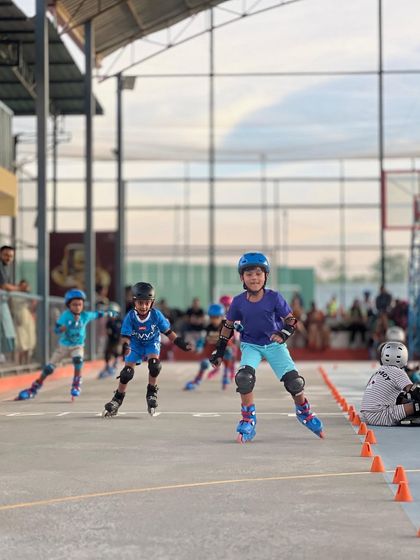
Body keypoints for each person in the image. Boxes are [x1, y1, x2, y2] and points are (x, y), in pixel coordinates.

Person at [209, 252, 324, 442]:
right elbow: (228, 326)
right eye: (249, 274)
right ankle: (248, 419)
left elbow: (291, 320)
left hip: (274, 344)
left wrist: (283, 334)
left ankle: (304, 411)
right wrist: (220, 350)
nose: (254, 278)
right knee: (244, 378)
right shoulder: (238, 302)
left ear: (266, 276)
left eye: (258, 273)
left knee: (295, 382)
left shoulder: (274, 297)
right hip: (251, 345)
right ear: (242, 278)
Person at [102, 282, 192, 417]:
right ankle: (117, 399)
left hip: (151, 343)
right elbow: (125, 336)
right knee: (126, 373)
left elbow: (168, 332)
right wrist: (125, 346)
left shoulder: (156, 315)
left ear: (152, 303)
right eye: (140, 303)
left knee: (154, 366)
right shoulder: (130, 316)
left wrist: (180, 343)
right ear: (134, 302)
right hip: (135, 344)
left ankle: (151, 393)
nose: (143, 306)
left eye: (147, 303)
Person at [16, 289, 115, 401]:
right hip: (64, 346)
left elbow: (97, 314)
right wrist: (61, 329)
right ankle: (35, 387)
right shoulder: (65, 316)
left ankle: (76, 384)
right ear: (69, 305)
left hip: (77, 345)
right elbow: (56, 329)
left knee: (78, 360)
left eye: (80, 304)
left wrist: (110, 313)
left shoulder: (85, 315)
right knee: (49, 368)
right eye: (74, 305)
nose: (77, 307)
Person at [360, 341, 420, 426]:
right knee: (417, 404)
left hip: (365, 416)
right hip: (380, 415)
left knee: (402, 397)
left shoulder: (379, 371)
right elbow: (413, 390)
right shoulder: (398, 372)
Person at [184, 303, 234, 391]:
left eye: (216, 317)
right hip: (211, 350)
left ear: (222, 316)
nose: (214, 320)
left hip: (223, 350)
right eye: (212, 317)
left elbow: (230, 341)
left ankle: (226, 375)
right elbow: (202, 340)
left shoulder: (226, 327)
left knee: (228, 352)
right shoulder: (207, 328)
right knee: (204, 364)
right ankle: (197, 381)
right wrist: (198, 347)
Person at [98, 302, 123, 379]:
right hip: (111, 339)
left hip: (118, 339)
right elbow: (108, 331)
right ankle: (107, 366)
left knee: (117, 351)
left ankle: (115, 365)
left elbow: (122, 331)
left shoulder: (119, 321)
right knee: (107, 352)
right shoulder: (109, 322)